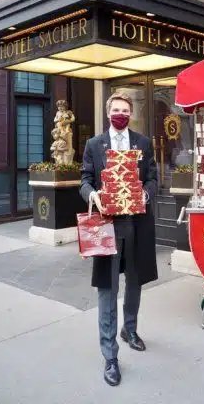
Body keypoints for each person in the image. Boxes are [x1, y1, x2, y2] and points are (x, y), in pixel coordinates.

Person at [80, 91, 158, 387]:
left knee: (135, 281)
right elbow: (85, 179)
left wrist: (145, 194)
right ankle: (110, 355)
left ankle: (130, 329)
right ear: (108, 112)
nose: (121, 114)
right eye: (116, 109)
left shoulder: (144, 143)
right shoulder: (94, 145)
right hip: (106, 223)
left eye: (125, 110)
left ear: (131, 113)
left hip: (136, 223)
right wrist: (93, 195)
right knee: (108, 287)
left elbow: (153, 176)